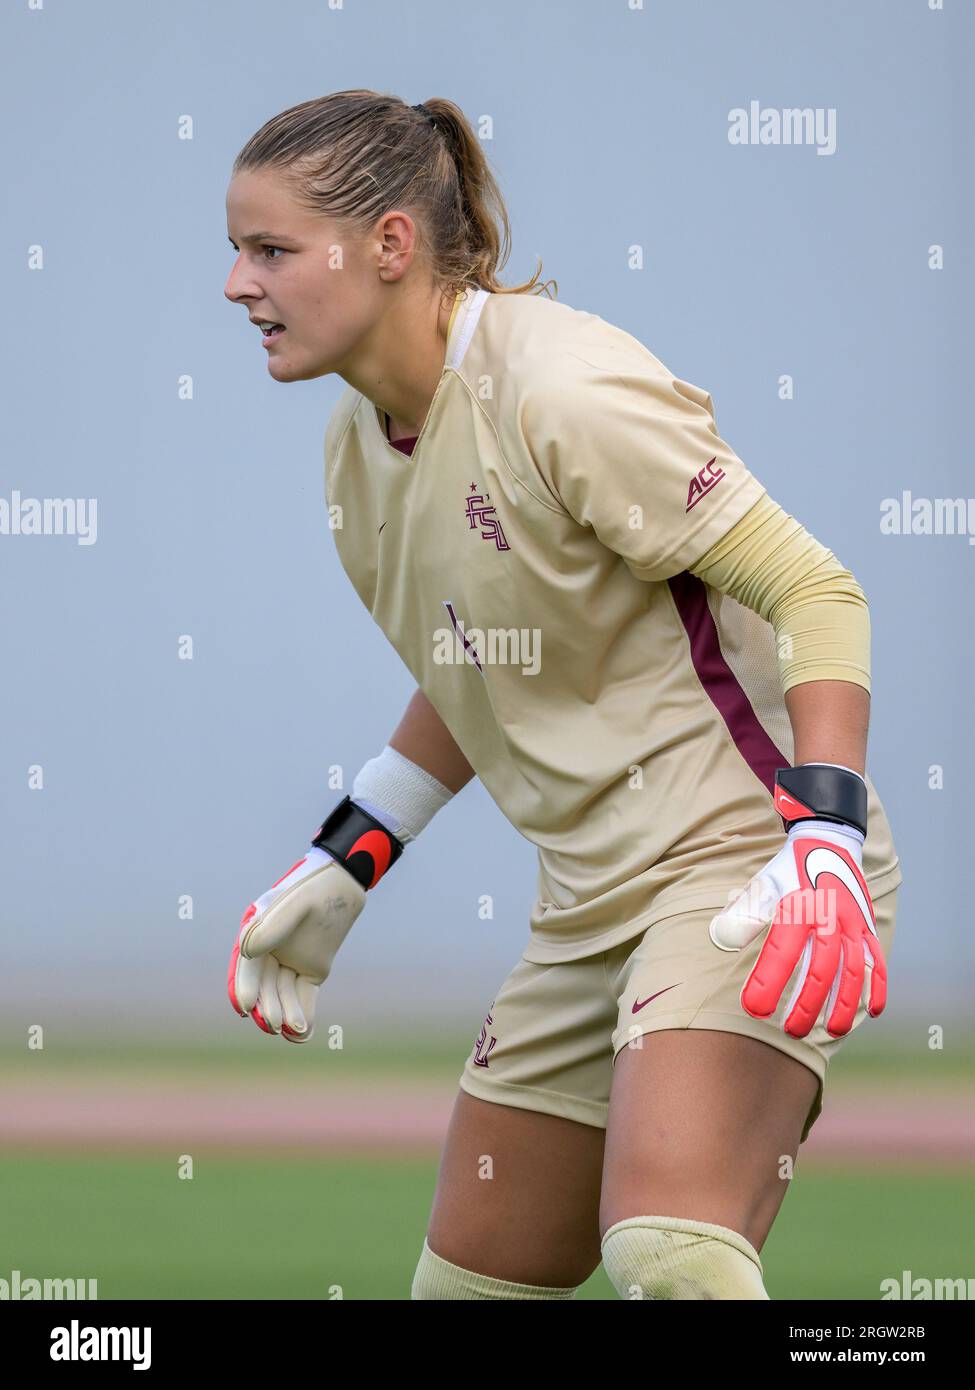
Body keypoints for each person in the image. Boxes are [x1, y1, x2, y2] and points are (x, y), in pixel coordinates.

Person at [223, 90, 901, 1300]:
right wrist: (354, 848)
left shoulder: (563, 389)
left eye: (270, 249)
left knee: (672, 1259)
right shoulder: (351, 452)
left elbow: (821, 593)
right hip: (588, 909)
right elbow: (481, 660)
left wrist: (827, 834)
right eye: (238, 250)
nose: (237, 283)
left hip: (746, 866)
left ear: (390, 245)